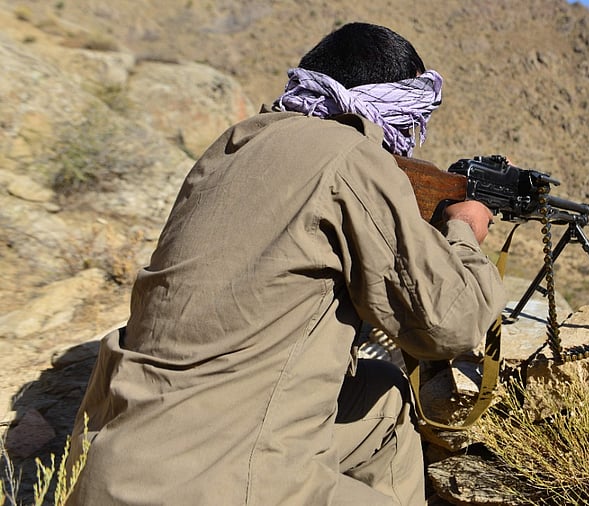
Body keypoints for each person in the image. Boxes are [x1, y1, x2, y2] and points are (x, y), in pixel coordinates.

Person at [65, 22, 505, 505]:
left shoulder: (235, 142)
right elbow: (452, 325)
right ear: (387, 106)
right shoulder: (352, 159)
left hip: (111, 458)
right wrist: (464, 232)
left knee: (380, 397)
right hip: (214, 483)